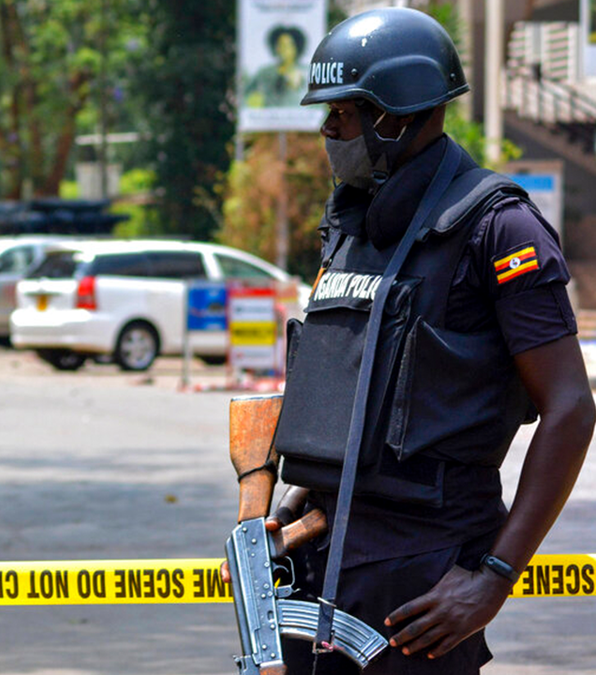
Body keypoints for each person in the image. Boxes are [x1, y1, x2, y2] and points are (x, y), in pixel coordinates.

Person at [262, 8, 594, 674]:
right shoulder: (353, 226)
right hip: (319, 562)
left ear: (397, 114)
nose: (327, 130)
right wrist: (285, 512)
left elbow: (570, 408)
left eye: (344, 114)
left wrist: (494, 576)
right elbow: (343, 387)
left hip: (421, 586)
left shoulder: (499, 228)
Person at [242, 25, 307, 108]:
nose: (283, 49)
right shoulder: (264, 73)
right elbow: (246, 95)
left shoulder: (307, 72)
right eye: (280, 45)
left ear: (297, 47)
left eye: (287, 45)